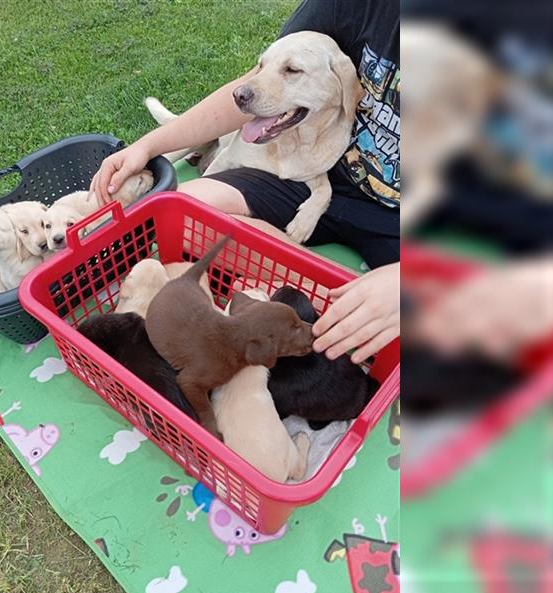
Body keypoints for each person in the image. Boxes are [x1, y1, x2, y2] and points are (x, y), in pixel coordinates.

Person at [91, 0, 400, 364]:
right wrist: (148, 146)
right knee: (182, 212)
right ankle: (341, 305)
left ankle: (349, 308)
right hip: (318, 171)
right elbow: (252, 87)